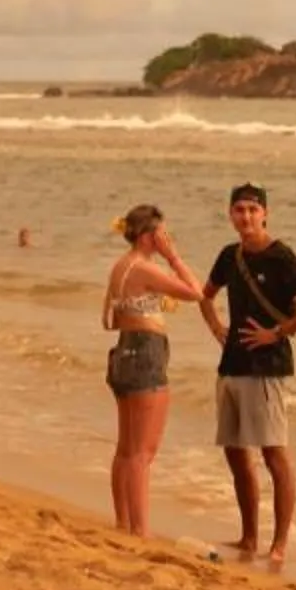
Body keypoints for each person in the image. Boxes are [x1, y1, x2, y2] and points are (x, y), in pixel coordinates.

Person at [201, 181, 296, 566]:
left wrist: (277, 333)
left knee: (274, 454)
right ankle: (249, 537)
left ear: (265, 214)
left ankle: (279, 545)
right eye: (239, 210)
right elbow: (205, 296)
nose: (246, 217)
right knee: (236, 454)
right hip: (232, 365)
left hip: (267, 368)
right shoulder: (229, 255)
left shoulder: (281, 256)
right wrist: (216, 328)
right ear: (230, 214)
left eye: (253, 210)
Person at [99, 203, 203, 537]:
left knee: (126, 448)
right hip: (145, 353)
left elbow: (110, 320)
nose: (166, 238)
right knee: (142, 453)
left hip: (124, 351)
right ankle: (140, 529)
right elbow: (196, 292)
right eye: (162, 233)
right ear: (149, 236)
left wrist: (148, 305)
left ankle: (123, 522)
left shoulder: (121, 266)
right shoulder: (143, 268)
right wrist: (173, 258)